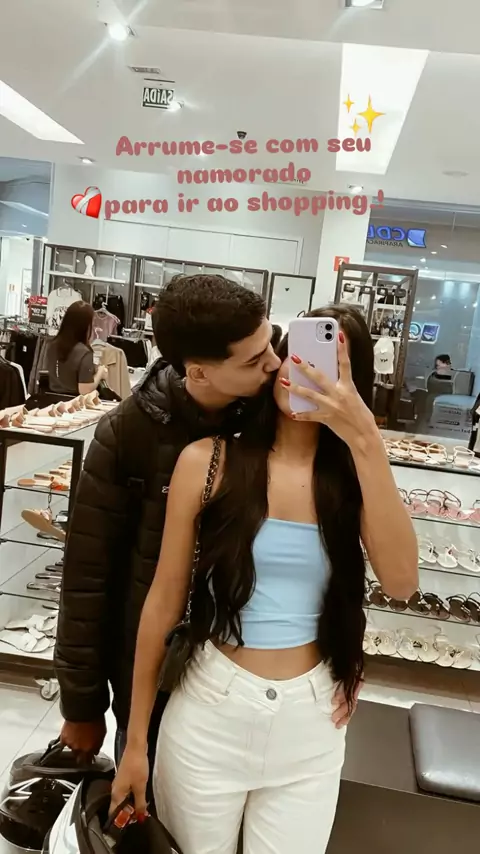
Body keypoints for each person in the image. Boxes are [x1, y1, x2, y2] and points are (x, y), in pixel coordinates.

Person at [112, 306, 418, 854]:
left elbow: (401, 582)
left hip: (312, 722)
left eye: (330, 364)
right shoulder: (210, 461)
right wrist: (136, 742)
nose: (307, 371)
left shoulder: (354, 480)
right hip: (210, 710)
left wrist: (365, 437)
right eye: (298, 352)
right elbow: (163, 603)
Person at [55, 275, 283, 776]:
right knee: (150, 797)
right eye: (254, 360)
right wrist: (82, 704)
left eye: (271, 344)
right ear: (198, 373)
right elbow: (87, 577)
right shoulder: (128, 434)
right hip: (154, 673)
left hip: (253, 669)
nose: (273, 363)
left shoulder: (276, 417)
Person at [46, 301, 108, 396]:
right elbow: (85, 390)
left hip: (52, 400)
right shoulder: (84, 353)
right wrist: (100, 372)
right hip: (75, 402)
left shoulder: (52, 345)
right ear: (85, 326)